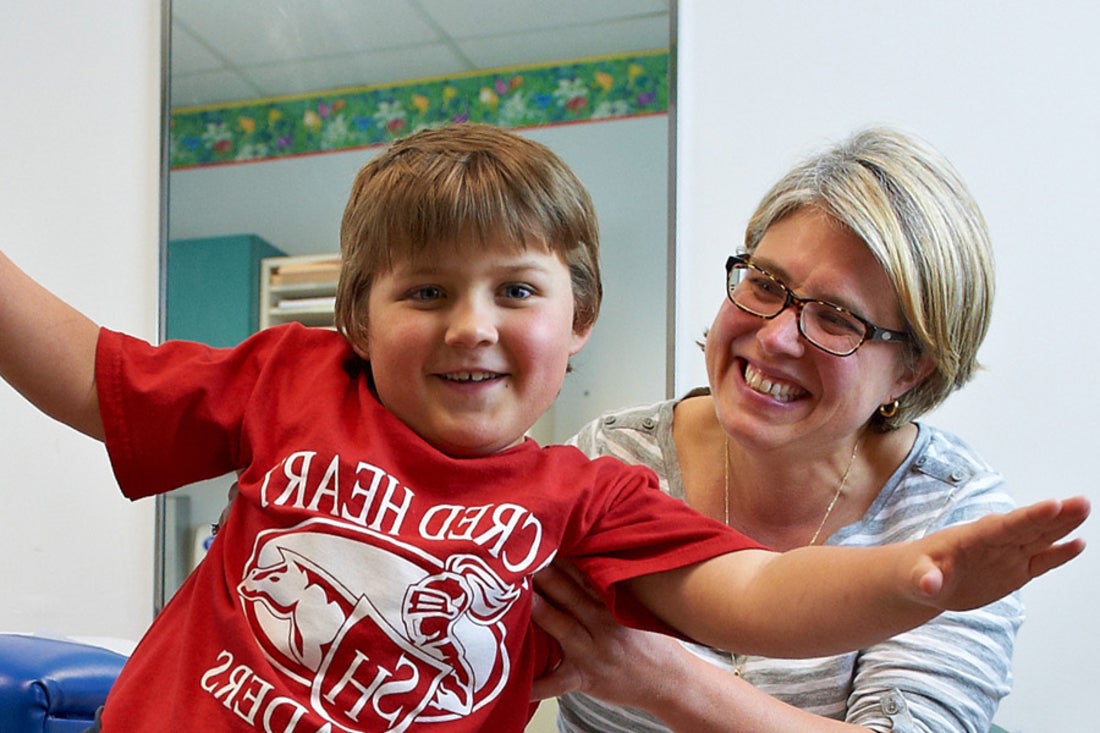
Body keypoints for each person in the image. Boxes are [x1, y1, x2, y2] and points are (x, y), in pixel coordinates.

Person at [0, 123, 1087, 733]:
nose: (469, 326)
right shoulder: (295, 381)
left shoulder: (587, 497)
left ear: (578, 321)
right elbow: (94, 377)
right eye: (424, 292)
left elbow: (752, 597)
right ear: (356, 320)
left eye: (840, 318)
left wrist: (914, 578)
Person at [531, 127, 1041, 733]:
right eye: (766, 285)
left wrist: (665, 682)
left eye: (835, 318)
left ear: (912, 368)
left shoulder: (949, 520)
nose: (773, 336)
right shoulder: (612, 457)